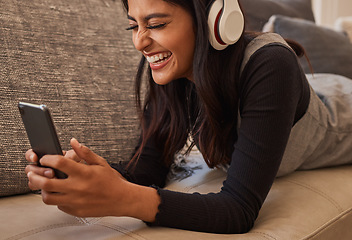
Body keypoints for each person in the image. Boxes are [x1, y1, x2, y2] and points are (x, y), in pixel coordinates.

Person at [25, 0, 352, 234]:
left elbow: (237, 211)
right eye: (133, 25)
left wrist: (125, 199)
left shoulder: (271, 65)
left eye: (155, 24)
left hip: (341, 110)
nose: (140, 41)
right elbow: (145, 172)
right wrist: (85, 175)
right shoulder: (171, 70)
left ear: (213, 18)